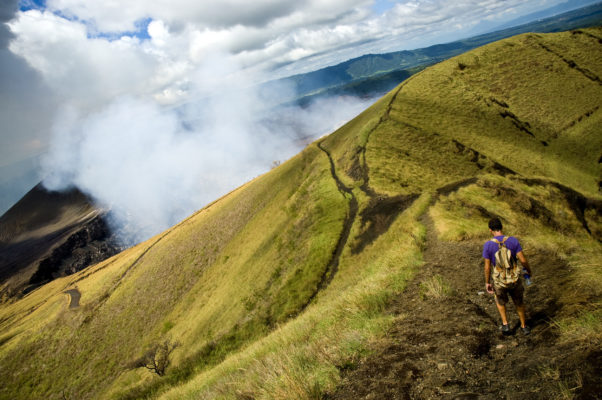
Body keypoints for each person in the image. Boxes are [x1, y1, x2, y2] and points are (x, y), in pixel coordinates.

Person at [482, 217, 532, 335]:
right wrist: (528, 271)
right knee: (519, 302)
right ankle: (524, 326)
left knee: (500, 301)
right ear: (501, 227)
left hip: (499, 280)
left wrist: (487, 282)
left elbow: (487, 267)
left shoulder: (488, 245)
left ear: (490, 230)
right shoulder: (513, 241)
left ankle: (505, 325)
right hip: (514, 278)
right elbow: (523, 260)